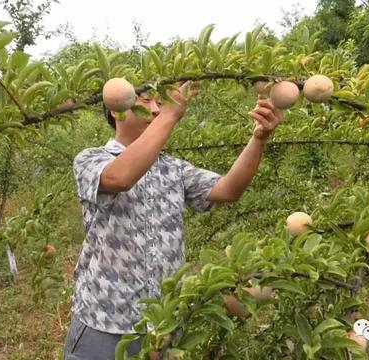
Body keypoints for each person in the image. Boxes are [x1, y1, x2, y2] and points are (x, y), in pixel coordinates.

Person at [63, 81, 283, 359]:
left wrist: (259, 138)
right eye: (146, 100)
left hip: (163, 323)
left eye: (160, 103)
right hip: (103, 322)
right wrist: (170, 114)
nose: (156, 109)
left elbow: (228, 189)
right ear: (115, 110)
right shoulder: (91, 159)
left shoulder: (172, 169)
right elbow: (118, 178)